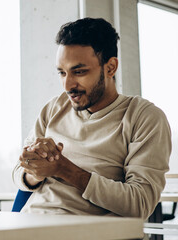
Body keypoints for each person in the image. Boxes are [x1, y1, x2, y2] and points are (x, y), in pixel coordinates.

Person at [12, 17, 171, 219]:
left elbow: (140, 203)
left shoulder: (143, 117)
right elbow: (19, 172)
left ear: (111, 67)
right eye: (62, 73)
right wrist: (36, 171)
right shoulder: (54, 108)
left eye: (79, 72)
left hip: (84, 231)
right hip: (30, 223)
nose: (68, 85)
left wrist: (64, 169)